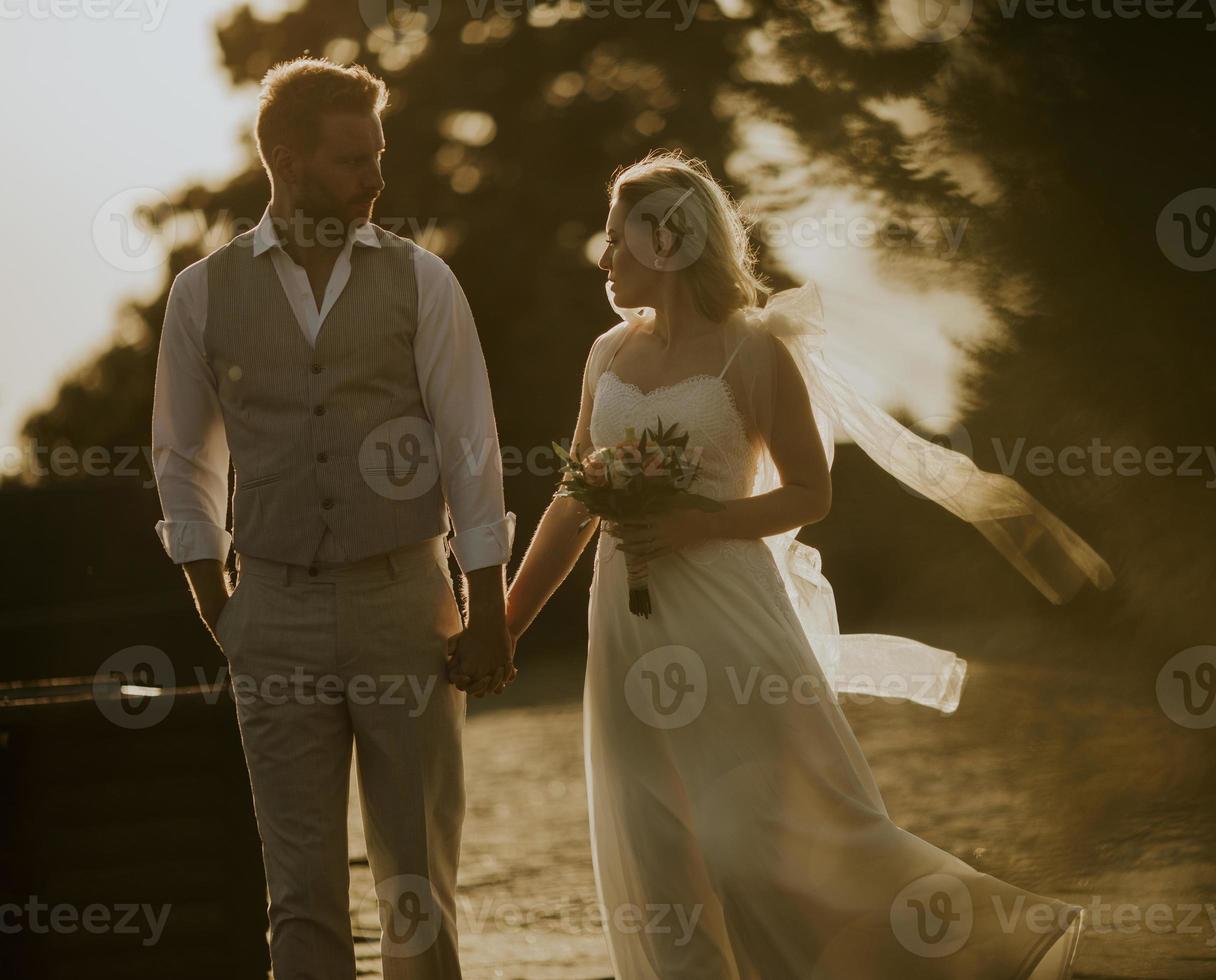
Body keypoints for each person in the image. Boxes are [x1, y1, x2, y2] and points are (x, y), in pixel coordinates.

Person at [505, 150, 1113, 978]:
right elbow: (573, 499)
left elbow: (809, 494)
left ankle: (981, 940)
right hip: (624, 625)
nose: (605, 258)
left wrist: (695, 523)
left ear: (670, 242)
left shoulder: (754, 352)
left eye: (618, 239)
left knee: (774, 831)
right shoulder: (606, 355)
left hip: (732, 620)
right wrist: (503, 626)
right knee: (656, 842)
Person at [150, 57, 515, 979]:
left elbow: (470, 446)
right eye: (354, 159)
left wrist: (489, 605)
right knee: (300, 895)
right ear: (284, 156)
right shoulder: (202, 292)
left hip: (405, 598)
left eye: (378, 155)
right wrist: (216, 597)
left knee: (416, 887)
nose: (376, 178)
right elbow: (185, 457)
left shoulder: (423, 281)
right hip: (270, 610)